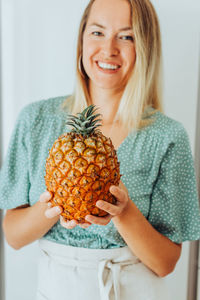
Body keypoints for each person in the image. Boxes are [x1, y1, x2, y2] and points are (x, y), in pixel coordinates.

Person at [0, 0, 200, 299]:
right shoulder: (35, 119)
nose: (109, 49)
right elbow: (13, 236)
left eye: (127, 36)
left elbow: (166, 263)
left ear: (146, 47)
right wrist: (57, 203)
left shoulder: (167, 135)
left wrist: (124, 211)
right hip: (56, 290)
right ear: (81, 39)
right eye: (97, 32)